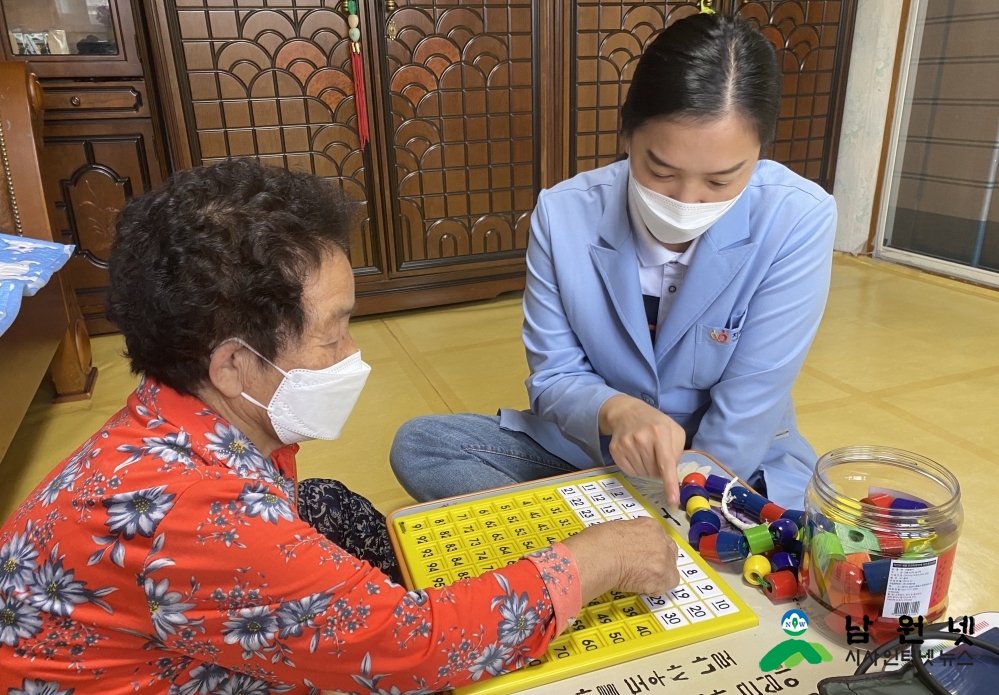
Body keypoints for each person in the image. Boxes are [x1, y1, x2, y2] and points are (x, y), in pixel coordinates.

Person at [0, 159, 680, 694]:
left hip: (143, 629)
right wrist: (596, 559)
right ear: (235, 364)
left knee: (331, 508)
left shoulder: (174, 412)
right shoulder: (201, 514)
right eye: (333, 334)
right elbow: (421, 647)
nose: (354, 356)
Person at [391, 12, 837, 511]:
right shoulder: (563, 215)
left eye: (720, 181)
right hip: (598, 458)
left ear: (759, 154)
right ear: (627, 133)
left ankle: (599, 541)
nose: (687, 200)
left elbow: (747, 411)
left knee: (827, 546)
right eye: (660, 169)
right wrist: (616, 410)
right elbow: (554, 376)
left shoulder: (797, 218)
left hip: (736, 467)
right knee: (423, 447)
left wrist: (688, 502)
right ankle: (610, 541)